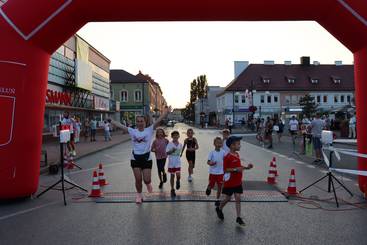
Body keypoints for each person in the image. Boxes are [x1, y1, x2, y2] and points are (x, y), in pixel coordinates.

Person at [114, 106, 171, 204]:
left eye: (142, 121)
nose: (140, 123)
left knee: (146, 180)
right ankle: (139, 195)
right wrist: (111, 121)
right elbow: (120, 126)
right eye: (138, 121)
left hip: (146, 158)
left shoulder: (149, 130)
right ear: (136, 122)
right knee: (138, 179)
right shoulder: (133, 131)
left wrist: (166, 112)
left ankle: (148, 184)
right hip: (135, 158)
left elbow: (159, 120)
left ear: (145, 122)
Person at [215, 136, 253, 226]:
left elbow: (239, 167)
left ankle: (238, 218)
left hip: (238, 182)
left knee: (238, 198)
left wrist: (247, 167)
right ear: (232, 146)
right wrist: (236, 170)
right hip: (230, 182)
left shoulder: (237, 155)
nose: (240, 146)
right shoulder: (227, 157)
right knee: (228, 198)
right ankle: (219, 208)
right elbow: (225, 169)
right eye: (238, 144)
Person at [206, 137, 226, 207]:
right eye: (217, 143)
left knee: (220, 187)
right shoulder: (212, 153)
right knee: (211, 185)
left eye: (220, 143)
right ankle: (208, 188)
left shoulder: (223, 152)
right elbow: (208, 162)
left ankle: (217, 199)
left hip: (221, 173)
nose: (219, 144)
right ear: (214, 144)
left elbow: (226, 160)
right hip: (213, 173)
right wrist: (210, 163)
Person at [166, 130, 183, 197]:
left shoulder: (180, 144)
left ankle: (178, 181)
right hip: (171, 163)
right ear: (172, 136)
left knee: (178, 175)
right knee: (172, 176)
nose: (175, 136)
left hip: (178, 162)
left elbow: (179, 153)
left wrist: (176, 152)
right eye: (174, 135)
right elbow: (167, 153)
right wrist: (171, 151)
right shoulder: (169, 144)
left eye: (177, 135)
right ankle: (172, 189)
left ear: (178, 136)